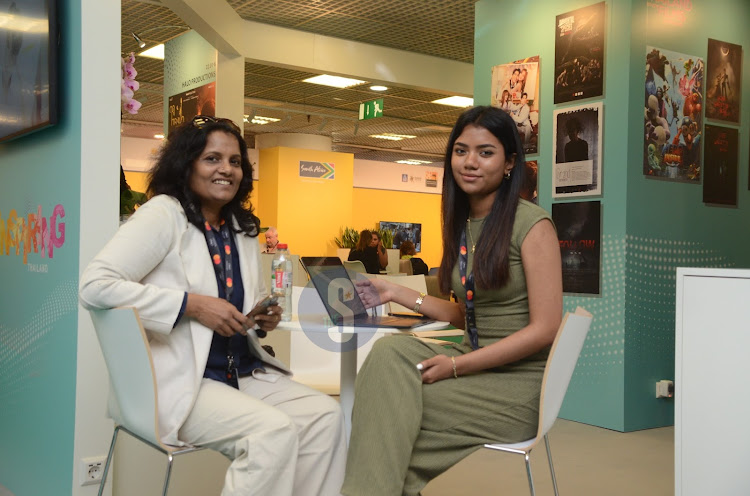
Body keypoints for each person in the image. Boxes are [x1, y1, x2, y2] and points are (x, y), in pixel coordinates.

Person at [80, 116, 346, 496]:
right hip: (184, 382)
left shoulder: (241, 227)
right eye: (212, 159)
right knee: (271, 433)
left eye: (235, 161)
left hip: (242, 373)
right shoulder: (164, 215)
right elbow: (95, 285)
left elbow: (233, 308)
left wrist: (256, 320)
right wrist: (191, 305)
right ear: (186, 165)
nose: (226, 169)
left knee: (325, 416)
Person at [341, 106, 562, 496]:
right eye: (460, 151)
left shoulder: (532, 224)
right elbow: (467, 314)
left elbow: (545, 329)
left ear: (510, 162)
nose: (469, 162)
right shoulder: (464, 225)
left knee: (387, 422)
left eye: (485, 152)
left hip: (517, 385)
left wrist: (457, 365)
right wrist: (394, 292)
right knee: (389, 354)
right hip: (475, 362)